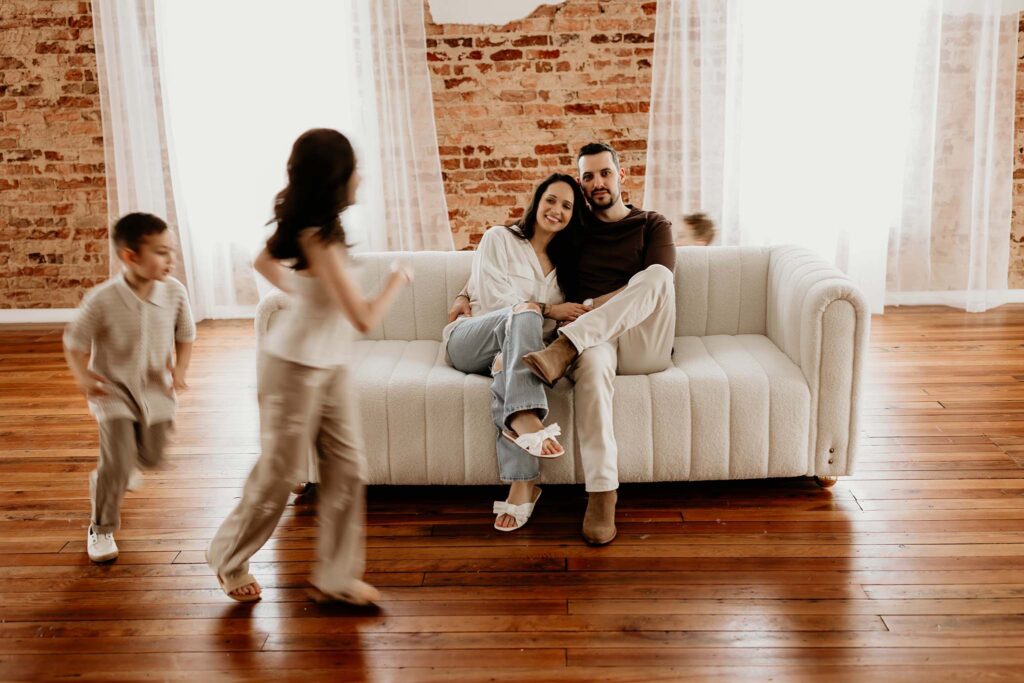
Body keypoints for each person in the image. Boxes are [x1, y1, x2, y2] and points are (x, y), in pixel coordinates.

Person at [207, 129, 412, 603]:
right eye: (353, 167)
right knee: (278, 475)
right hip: (292, 367)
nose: (361, 175)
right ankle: (227, 555)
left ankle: (335, 578)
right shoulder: (318, 235)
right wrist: (397, 279)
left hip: (330, 364)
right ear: (335, 177)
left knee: (348, 469)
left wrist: (306, 295)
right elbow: (362, 316)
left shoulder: (322, 228)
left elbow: (263, 261)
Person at [448, 142, 676, 546]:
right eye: (588, 176)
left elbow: (655, 286)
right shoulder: (576, 237)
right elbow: (509, 277)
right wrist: (464, 293)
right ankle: (602, 494)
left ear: (621, 176)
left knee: (655, 277)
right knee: (588, 369)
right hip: (592, 338)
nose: (597, 183)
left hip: (641, 336)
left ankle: (565, 348)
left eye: (605, 173)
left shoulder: (652, 224)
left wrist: (581, 311)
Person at [445, 173, 588, 532]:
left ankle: (523, 484)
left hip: (515, 354)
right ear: (537, 200)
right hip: (469, 340)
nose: (556, 210)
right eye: (551, 200)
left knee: (510, 361)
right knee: (523, 312)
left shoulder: (567, 271)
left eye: (567, 206)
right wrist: (549, 309)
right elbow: (496, 303)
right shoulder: (499, 238)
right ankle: (525, 415)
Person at [64, 212, 195, 563]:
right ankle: (101, 527)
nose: (171, 260)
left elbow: (186, 335)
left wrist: (179, 370)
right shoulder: (102, 299)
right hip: (113, 391)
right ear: (130, 256)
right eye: (161, 252)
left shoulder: (174, 292)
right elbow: (74, 340)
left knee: (151, 457)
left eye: (171, 251)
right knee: (118, 460)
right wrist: (81, 374)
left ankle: (116, 469)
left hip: (156, 389)